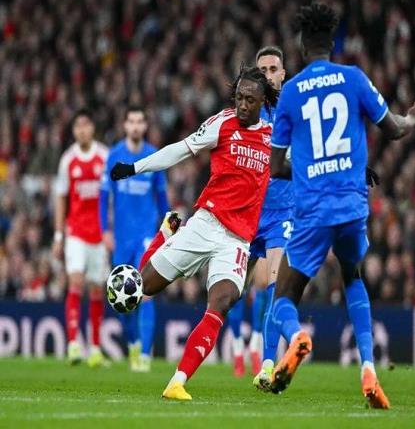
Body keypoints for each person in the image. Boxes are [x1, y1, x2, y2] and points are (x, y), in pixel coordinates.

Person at [269, 2, 415, 408]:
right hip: (353, 208)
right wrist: (413, 120)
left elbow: (275, 167)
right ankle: (368, 368)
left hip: (312, 211)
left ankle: (297, 336)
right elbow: (393, 130)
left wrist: (310, 168)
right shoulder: (354, 78)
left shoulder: (291, 92)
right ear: (332, 45)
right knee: (353, 276)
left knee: (283, 295)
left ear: (302, 47)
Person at [109, 66, 279, 400]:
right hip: (205, 223)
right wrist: (135, 167)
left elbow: (305, 157)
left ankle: (177, 382)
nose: (243, 105)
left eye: (250, 100)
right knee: (142, 289)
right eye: (239, 97)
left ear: (262, 102)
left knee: (222, 302)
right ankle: (164, 236)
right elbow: (180, 149)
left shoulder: (273, 134)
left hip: (236, 240)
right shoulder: (222, 123)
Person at [227, 46, 292, 379]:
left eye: (273, 69)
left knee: (274, 285)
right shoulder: (246, 112)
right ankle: (237, 347)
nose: (268, 75)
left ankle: (266, 363)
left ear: (283, 73)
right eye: (262, 70)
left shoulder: (294, 110)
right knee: (233, 288)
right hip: (248, 211)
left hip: (282, 213)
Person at [100, 105, 169, 372]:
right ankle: (133, 343)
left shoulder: (154, 156)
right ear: (125, 125)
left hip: (146, 236)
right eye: (132, 121)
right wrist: (105, 230)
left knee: (146, 293)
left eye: (140, 121)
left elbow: (162, 199)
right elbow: (104, 197)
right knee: (118, 297)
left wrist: (168, 230)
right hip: (121, 238)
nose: (136, 126)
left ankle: (145, 354)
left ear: (145, 125)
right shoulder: (114, 156)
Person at [52, 109, 109, 367]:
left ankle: (95, 348)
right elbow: (60, 199)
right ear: (74, 130)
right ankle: (74, 344)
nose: (82, 130)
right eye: (78, 126)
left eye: (86, 125)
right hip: (75, 232)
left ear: (92, 128)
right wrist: (58, 235)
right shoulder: (68, 160)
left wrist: (111, 229)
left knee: (96, 288)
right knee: (75, 281)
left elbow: (110, 196)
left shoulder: (104, 156)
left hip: (99, 234)